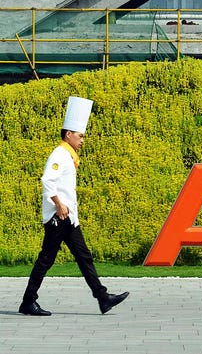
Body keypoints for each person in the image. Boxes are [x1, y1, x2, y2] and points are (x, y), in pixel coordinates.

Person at [19, 96, 129, 316]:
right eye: (80, 136)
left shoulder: (69, 156)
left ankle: (102, 297)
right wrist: (58, 204)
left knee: (83, 256)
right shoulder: (59, 154)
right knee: (46, 259)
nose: (82, 140)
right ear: (68, 134)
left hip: (68, 218)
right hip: (58, 218)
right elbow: (47, 180)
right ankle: (28, 301)